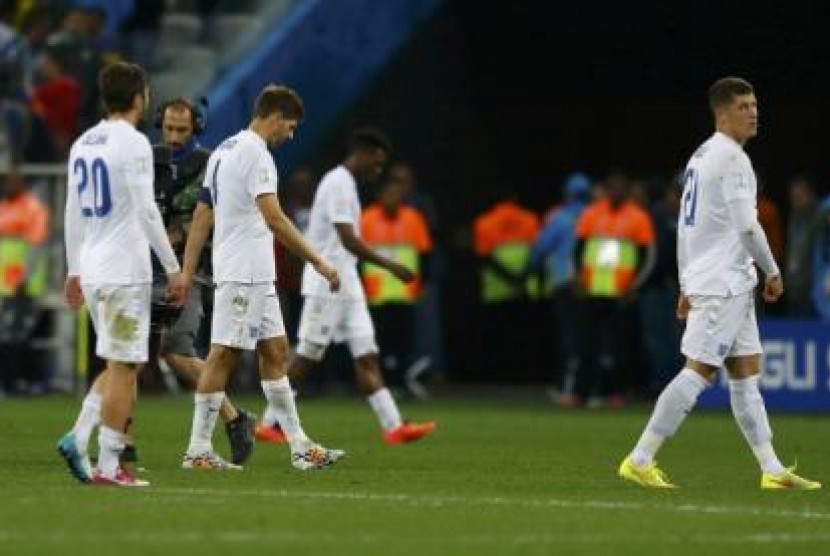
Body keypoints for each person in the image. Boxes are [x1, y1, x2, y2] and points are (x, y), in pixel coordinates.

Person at [618, 76, 821, 490]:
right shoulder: (732, 159)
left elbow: (686, 230)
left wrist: (685, 283)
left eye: (755, 104)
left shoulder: (700, 156)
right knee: (699, 372)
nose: (754, 111)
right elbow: (748, 227)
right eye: (744, 105)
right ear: (722, 112)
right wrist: (773, 270)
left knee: (746, 373)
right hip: (722, 283)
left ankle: (772, 469)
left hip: (723, 281)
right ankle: (640, 458)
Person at [180, 84, 345, 471]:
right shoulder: (257, 155)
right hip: (243, 272)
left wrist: (188, 271)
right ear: (274, 117)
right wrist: (318, 261)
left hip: (252, 272)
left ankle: (300, 447)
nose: (291, 135)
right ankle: (198, 449)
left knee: (276, 351)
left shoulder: (224, 150)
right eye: (290, 126)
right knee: (223, 354)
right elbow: (274, 218)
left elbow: (204, 213)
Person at [261, 128, 436, 445]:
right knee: (309, 354)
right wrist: (390, 266)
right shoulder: (338, 183)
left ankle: (394, 426)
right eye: (377, 162)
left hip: (347, 280)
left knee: (366, 353)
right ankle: (270, 422)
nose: (378, 169)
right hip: (328, 279)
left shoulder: (348, 185)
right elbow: (348, 238)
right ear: (364, 154)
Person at [57, 62, 185, 487]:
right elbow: (147, 209)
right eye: (145, 93)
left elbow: (72, 211)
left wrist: (74, 269)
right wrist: (173, 267)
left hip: (94, 268)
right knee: (127, 366)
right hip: (124, 270)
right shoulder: (132, 143)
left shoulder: (82, 142)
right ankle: (110, 465)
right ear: (137, 97)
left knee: (116, 362)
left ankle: (78, 436)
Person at [572, 172, 655, 407]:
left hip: (622, 293)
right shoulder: (591, 213)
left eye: (621, 188)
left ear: (627, 191)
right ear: (606, 190)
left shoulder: (638, 217)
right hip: (593, 290)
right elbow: (577, 249)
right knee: (588, 345)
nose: (616, 192)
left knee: (621, 347)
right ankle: (581, 393)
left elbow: (647, 256)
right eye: (612, 188)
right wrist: (578, 278)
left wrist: (635, 285)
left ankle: (618, 393)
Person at [360, 172, 433, 390]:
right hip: (376, 294)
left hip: (406, 292)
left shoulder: (413, 218)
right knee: (378, 341)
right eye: (388, 193)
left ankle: (401, 383)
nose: (392, 197)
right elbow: (357, 256)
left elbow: (424, 253)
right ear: (380, 195)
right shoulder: (367, 218)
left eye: (396, 193)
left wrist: (424, 283)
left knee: (405, 342)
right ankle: (381, 384)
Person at [530, 173, 590, 404]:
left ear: (567, 193)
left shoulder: (560, 218)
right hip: (593, 284)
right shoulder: (595, 215)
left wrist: (534, 273)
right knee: (588, 336)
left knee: (569, 336)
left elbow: (540, 248)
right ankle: (588, 387)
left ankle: (567, 387)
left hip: (564, 282)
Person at [0, 166, 49, 394]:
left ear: (22, 183)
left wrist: (25, 277)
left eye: (12, 181)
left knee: (16, 334)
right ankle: (23, 382)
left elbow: (36, 246)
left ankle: (21, 382)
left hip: (23, 284)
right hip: (5, 284)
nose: (7, 185)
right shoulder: (4, 206)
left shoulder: (32, 208)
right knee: (11, 334)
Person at [784, 176, 818, 317]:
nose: (795, 201)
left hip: (813, 292)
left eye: (799, 196)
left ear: (810, 195)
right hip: (794, 290)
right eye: (793, 197)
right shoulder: (794, 220)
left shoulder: (818, 218)